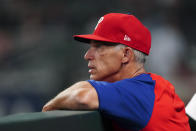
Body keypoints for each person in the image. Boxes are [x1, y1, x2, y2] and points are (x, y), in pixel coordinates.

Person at [42, 13, 190, 131]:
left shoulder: (137, 92)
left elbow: (82, 97)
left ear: (126, 55)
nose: (87, 55)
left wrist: (50, 106)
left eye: (99, 47)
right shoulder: (153, 87)